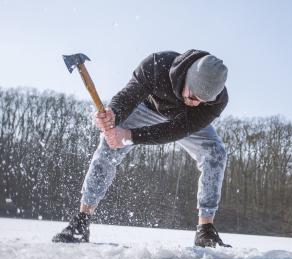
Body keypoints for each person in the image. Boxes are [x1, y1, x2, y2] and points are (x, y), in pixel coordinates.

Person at [52, 49, 231, 248]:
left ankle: (205, 230)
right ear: (187, 76)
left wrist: (130, 137)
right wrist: (114, 116)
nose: (195, 103)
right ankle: (82, 220)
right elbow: (128, 97)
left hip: (182, 121)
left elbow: (175, 130)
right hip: (146, 108)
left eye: (202, 101)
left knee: (215, 153)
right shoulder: (157, 65)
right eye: (193, 95)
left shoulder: (217, 101)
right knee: (109, 145)